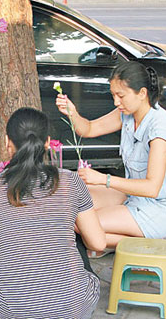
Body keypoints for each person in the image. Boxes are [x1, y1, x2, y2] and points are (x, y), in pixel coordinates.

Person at [0, 107, 106, 319]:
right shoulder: (70, 183)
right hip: (75, 307)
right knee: (76, 236)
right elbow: (98, 244)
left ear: (8, 142)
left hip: (12, 310)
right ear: (47, 142)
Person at [56, 61, 166, 257]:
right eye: (113, 95)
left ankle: (150, 243)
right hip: (133, 196)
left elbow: (152, 188)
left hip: (158, 207)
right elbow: (88, 129)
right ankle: (114, 240)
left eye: (121, 96)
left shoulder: (159, 128)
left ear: (142, 93)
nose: (116, 102)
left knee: (84, 224)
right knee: (73, 201)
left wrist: (103, 179)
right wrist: (72, 112)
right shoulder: (127, 114)